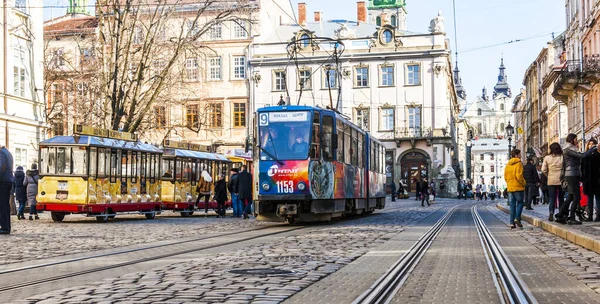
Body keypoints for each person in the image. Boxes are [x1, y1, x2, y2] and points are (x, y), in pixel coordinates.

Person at [556, 134, 597, 225]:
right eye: (575, 139)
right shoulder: (568, 149)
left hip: (571, 174)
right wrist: (592, 149)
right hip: (572, 174)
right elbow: (582, 156)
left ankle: (560, 215)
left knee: (571, 196)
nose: (576, 141)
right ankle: (571, 217)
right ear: (571, 140)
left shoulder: (569, 149)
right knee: (576, 197)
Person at [542, 143, 565, 222]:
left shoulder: (547, 158)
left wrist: (548, 175)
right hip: (561, 180)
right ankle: (561, 213)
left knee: (552, 198)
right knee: (561, 198)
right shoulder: (562, 157)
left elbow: (543, 169)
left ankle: (551, 212)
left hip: (551, 180)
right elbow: (565, 167)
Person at [504, 149, 526, 229]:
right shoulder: (519, 163)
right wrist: (524, 183)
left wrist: (509, 183)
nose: (521, 156)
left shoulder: (508, 165)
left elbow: (505, 176)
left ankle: (511, 223)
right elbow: (519, 175)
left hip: (510, 187)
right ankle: (517, 218)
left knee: (512, 205)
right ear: (516, 155)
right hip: (518, 187)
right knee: (520, 203)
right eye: (520, 154)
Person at [582, 138, 600, 222]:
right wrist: (583, 179)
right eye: (589, 144)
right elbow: (582, 168)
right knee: (589, 198)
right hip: (588, 180)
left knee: (598, 198)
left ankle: (598, 215)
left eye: (593, 144)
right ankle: (589, 215)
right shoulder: (585, 156)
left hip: (597, 180)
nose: (591, 145)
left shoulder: (598, 155)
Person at [0, 146, 14, 234]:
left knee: (3, 205)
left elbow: (2, 168)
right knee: (5, 205)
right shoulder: (7, 152)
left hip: (3, 181)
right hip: (8, 181)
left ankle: (5, 227)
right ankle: (6, 226)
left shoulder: (1, 153)